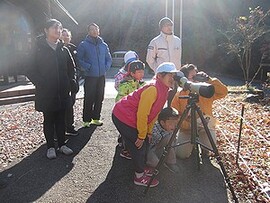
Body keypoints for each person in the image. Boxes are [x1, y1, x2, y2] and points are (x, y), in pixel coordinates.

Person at [112, 62, 178, 187]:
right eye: (169, 75)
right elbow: (142, 115)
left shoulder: (164, 90)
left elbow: (154, 114)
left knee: (145, 142)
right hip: (122, 115)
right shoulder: (152, 89)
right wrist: (141, 135)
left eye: (173, 75)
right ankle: (139, 176)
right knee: (139, 146)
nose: (172, 78)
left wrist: (148, 132)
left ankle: (141, 166)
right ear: (159, 76)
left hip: (130, 116)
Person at [25, 19, 75, 159]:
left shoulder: (63, 49)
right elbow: (29, 69)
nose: (58, 31)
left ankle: (62, 144)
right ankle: (50, 147)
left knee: (61, 119)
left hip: (62, 92)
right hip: (46, 92)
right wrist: (40, 83)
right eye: (54, 28)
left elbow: (72, 68)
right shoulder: (38, 49)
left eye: (59, 28)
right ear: (46, 30)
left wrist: (71, 81)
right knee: (49, 119)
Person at [171, 64, 228, 159]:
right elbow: (174, 115)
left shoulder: (206, 91)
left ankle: (204, 148)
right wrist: (187, 125)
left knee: (210, 148)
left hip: (205, 124)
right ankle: (191, 144)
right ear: (184, 80)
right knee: (181, 154)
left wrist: (209, 80)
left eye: (197, 74)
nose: (196, 78)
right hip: (187, 128)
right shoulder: (179, 95)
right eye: (193, 77)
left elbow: (223, 92)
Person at [77, 23, 112, 127]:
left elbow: (108, 59)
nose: (94, 31)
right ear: (88, 32)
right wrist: (88, 67)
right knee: (89, 98)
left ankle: (96, 118)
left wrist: (105, 67)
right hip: (90, 76)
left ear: (99, 31)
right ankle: (86, 120)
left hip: (101, 76)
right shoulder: (83, 44)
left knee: (99, 97)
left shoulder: (103, 45)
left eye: (96, 29)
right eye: (92, 29)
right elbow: (79, 59)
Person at [146, 17, 182, 106]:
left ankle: (170, 116)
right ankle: (158, 117)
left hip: (174, 75)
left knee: (172, 98)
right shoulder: (155, 41)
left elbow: (179, 58)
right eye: (166, 25)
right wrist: (158, 71)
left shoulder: (177, 41)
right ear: (161, 28)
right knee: (159, 99)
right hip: (161, 76)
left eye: (171, 25)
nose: (169, 27)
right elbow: (149, 59)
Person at [115, 60, 146, 160]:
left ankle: (124, 144)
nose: (142, 74)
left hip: (136, 112)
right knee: (128, 133)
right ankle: (126, 150)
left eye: (142, 72)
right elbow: (120, 99)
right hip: (126, 112)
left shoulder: (142, 83)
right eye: (139, 72)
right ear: (132, 73)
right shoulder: (125, 84)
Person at [146, 107, 180, 173]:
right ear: (162, 122)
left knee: (170, 138)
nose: (174, 126)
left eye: (176, 123)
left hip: (158, 144)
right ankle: (146, 164)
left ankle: (171, 162)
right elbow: (147, 146)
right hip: (148, 147)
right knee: (156, 164)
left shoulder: (168, 127)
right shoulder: (154, 131)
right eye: (171, 123)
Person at [61, 28, 79, 136]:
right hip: (62, 82)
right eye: (63, 35)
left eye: (67, 35)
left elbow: (76, 65)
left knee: (70, 104)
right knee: (61, 106)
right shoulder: (59, 49)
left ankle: (69, 126)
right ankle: (60, 128)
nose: (65, 37)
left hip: (72, 81)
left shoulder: (73, 48)